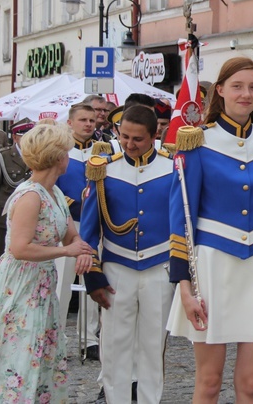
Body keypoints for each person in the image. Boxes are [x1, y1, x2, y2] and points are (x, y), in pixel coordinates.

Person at [166, 57, 253, 403]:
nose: (246, 94)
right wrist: (185, 289)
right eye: (237, 86)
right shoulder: (197, 143)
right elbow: (182, 223)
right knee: (208, 383)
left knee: (251, 386)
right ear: (219, 90)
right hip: (211, 269)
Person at [81, 106, 175, 403]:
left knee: (152, 344)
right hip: (116, 268)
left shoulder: (173, 167)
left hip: (159, 265)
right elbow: (89, 229)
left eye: (138, 139)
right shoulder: (104, 168)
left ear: (154, 135)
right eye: (124, 137)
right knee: (114, 345)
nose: (129, 144)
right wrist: (93, 274)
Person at [0, 124, 94, 403]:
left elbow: (69, 232)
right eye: (65, 152)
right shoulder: (30, 196)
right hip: (21, 285)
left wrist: (81, 249)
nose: (69, 157)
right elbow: (19, 248)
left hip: (42, 285)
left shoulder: (54, 193)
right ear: (57, 157)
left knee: (40, 353)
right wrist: (67, 252)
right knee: (20, 355)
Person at [54, 104, 103, 360]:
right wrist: (75, 204)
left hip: (94, 226)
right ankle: (57, 337)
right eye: (83, 119)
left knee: (92, 280)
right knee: (61, 285)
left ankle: (90, 338)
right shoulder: (59, 151)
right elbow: (52, 185)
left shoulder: (102, 151)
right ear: (70, 123)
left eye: (92, 120)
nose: (88, 124)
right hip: (66, 224)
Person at [0, 118, 33, 259]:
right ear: (16, 137)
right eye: (25, 136)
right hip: (4, 217)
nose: (30, 140)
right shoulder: (2, 157)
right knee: (2, 258)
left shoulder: (38, 156)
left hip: (30, 218)